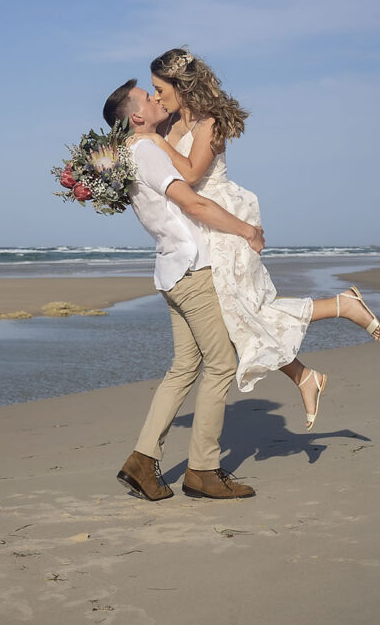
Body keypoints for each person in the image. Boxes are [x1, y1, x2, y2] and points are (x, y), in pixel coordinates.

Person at [137, 47, 380, 428]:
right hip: (198, 226)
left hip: (223, 218)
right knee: (239, 316)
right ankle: (306, 375)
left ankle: (342, 306)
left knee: (246, 309)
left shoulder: (209, 122)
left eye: (159, 88)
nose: (155, 96)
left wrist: (156, 141)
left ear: (180, 85)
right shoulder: (169, 124)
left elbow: (188, 174)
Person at [102, 79, 264, 502]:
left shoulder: (129, 154)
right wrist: (247, 229)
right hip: (192, 269)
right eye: (148, 97)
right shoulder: (146, 151)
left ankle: (142, 461)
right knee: (222, 363)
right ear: (136, 117)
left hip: (172, 271)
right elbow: (192, 203)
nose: (156, 99)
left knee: (184, 367)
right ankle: (203, 470)